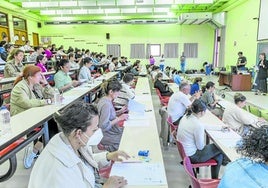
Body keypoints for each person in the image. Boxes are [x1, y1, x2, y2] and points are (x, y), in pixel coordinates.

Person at [28, 101, 129, 188]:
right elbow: (75, 168)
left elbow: (83, 162)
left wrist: (108, 156)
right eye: (94, 129)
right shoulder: (58, 171)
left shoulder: (71, 140)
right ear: (78, 133)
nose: (98, 131)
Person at [10, 65, 55, 168]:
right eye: (39, 75)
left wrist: (46, 84)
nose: (41, 77)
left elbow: (52, 95)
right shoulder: (19, 87)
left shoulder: (36, 85)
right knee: (52, 123)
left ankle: (35, 150)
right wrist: (46, 101)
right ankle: (35, 151)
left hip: (34, 115)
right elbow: (27, 103)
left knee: (54, 122)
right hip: (21, 118)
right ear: (30, 77)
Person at [177, 99, 223, 179]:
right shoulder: (197, 125)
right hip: (193, 156)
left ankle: (215, 179)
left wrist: (219, 128)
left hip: (185, 153)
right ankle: (215, 179)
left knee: (218, 155)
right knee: (219, 147)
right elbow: (200, 147)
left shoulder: (186, 116)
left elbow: (202, 126)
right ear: (202, 112)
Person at [97, 79, 129, 152]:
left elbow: (109, 116)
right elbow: (104, 126)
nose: (119, 94)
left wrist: (119, 112)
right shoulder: (106, 104)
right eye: (117, 92)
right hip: (106, 133)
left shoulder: (105, 100)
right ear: (111, 92)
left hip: (112, 130)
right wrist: (119, 118)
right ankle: (105, 148)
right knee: (125, 141)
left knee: (127, 133)